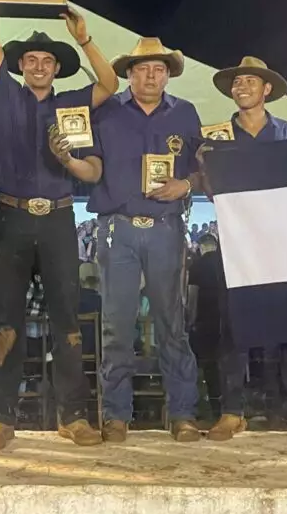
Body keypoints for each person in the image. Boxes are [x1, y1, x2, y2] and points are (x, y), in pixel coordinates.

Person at [0, 0, 118, 449]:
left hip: (59, 219)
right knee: (8, 319)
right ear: (21, 66)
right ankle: (2, 417)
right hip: (12, 217)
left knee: (67, 320)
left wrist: (86, 38)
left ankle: (73, 416)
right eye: (31, 59)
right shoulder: (3, 91)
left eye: (46, 60)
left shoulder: (74, 101)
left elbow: (110, 83)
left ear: (58, 68)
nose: (38, 65)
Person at [52, 37, 202, 443]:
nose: (150, 75)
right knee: (117, 328)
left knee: (172, 324)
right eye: (142, 69)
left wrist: (184, 184)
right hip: (116, 229)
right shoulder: (107, 112)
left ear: (168, 74)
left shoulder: (186, 113)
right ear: (129, 74)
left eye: (158, 69)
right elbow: (94, 171)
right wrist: (67, 158)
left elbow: (204, 170)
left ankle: (183, 414)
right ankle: (116, 415)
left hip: (167, 228)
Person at [197, 56, 287, 445]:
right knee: (232, 329)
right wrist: (204, 169)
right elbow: (210, 193)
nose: (243, 87)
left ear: (267, 89)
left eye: (251, 81)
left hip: (282, 244)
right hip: (236, 244)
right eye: (237, 82)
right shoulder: (216, 137)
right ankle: (232, 412)